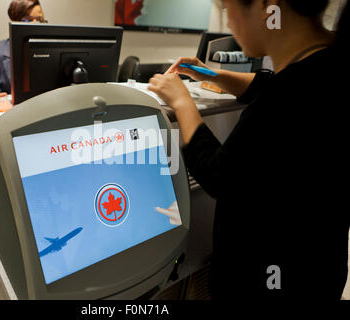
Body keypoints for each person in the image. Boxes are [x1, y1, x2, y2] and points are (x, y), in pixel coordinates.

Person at [149, 0, 349, 299]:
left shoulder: (289, 98)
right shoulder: (328, 63)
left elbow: (218, 173)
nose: (228, 23)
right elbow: (271, 85)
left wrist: (181, 102)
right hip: (319, 270)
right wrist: (211, 75)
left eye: (229, 9)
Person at [0, 0, 47, 95]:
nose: (36, 24)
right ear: (15, 22)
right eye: (28, 20)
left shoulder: (51, 50)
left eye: (40, 20)